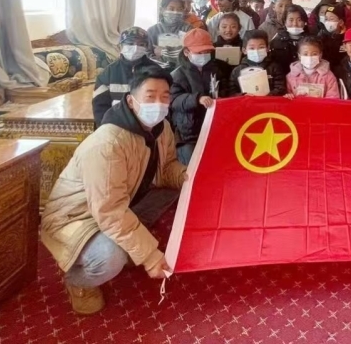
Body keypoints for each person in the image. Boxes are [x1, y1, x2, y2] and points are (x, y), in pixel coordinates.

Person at [41, 66, 187, 315]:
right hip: (77, 217)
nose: (158, 104)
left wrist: (186, 176)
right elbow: (110, 211)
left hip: (121, 201)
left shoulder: (161, 129)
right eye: (150, 96)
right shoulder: (108, 143)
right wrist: (150, 256)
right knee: (110, 258)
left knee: (179, 194)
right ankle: (79, 282)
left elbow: (166, 169)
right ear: (131, 101)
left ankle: (130, 243)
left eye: (165, 97)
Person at [169, 28, 231, 164]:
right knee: (192, 164)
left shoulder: (217, 70)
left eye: (207, 52)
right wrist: (197, 99)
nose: (204, 55)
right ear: (186, 52)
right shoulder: (177, 75)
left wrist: (223, 98)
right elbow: (174, 100)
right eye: (199, 52)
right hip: (188, 132)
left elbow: (226, 89)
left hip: (214, 127)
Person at [92, 27, 160, 127]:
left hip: (148, 127)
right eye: (130, 43)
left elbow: (162, 103)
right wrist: (106, 128)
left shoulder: (156, 71)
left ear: (147, 47)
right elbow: (99, 107)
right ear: (121, 46)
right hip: (116, 126)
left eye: (141, 44)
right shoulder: (108, 73)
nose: (135, 48)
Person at [147, 0, 204, 66]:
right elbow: (148, 56)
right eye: (171, 9)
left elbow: (192, 54)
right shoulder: (152, 31)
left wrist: (164, 53)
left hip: (183, 69)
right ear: (162, 10)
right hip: (158, 70)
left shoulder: (188, 29)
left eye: (179, 9)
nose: (176, 12)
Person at [230, 30, 286, 97]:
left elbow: (280, 88)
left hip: (268, 102)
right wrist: (242, 95)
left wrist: (266, 96)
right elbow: (231, 92)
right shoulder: (237, 70)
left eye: (261, 47)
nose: (256, 51)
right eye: (252, 48)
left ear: (267, 48)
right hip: (246, 102)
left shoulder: (274, 68)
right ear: (244, 50)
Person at [269, 4, 308, 69]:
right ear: (285, 22)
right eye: (291, 20)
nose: (295, 24)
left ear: (304, 22)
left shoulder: (312, 40)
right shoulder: (276, 41)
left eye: (299, 20)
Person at [315, 0, 346, 66]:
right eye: (326, 19)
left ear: (341, 22)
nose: (328, 22)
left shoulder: (346, 38)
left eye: (331, 19)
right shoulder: (321, 36)